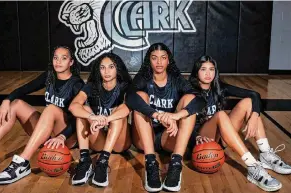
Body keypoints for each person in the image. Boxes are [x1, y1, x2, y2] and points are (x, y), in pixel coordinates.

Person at [0, 46, 85, 185]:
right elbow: (24, 89)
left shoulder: (77, 84)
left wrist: (62, 136)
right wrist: (6, 100)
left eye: (63, 58)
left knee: (51, 109)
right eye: (55, 57)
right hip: (46, 132)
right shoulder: (49, 76)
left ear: (71, 62)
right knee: (16, 104)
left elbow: (79, 119)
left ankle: (23, 162)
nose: (58, 61)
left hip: (66, 135)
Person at [188, 55, 291, 192]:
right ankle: (252, 165)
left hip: (220, 137)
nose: (208, 73)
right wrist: (195, 136)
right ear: (196, 72)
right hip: (201, 139)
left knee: (249, 103)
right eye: (203, 69)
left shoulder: (219, 88)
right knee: (221, 115)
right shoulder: (188, 90)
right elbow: (181, 122)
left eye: (211, 69)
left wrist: (254, 115)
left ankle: (265, 154)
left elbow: (254, 95)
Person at [125, 43, 205, 192]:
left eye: (163, 58)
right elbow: (129, 98)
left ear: (169, 61)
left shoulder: (176, 79)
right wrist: (156, 114)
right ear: (149, 61)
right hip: (143, 138)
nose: (159, 62)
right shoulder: (143, 78)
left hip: (168, 136)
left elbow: (200, 100)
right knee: (140, 96)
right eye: (154, 58)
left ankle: (176, 164)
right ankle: (150, 163)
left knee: (189, 99)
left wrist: (175, 116)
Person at [69, 53, 132, 187]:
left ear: (117, 68)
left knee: (118, 111)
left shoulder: (125, 86)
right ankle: (85, 160)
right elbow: (73, 106)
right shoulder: (92, 86)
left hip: (120, 142)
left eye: (111, 67)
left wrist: (107, 118)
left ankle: (102, 162)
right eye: (102, 67)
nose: (107, 71)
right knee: (83, 109)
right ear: (98, 70)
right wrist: (92, 117)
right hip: (100, 140)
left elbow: (127, 109)